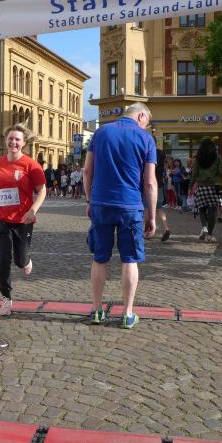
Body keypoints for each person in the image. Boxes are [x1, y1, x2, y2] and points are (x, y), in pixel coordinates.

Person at [84, 102, 157, 329]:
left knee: (99, 257)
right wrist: (152, 216)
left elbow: (87, 171)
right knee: (130, 259)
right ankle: (127, 314)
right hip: (130, 206)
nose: (146, 127)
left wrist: (89, 200)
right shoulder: (146, 139)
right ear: (142, 116)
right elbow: (150, 182)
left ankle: (97, 310)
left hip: (101, 203)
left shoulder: (100, 133)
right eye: (147, 122)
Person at [0, 124, 47, 316]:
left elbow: (42, 190)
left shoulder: (31, 165)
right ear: (6, 140)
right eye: (10, 138)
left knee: (19, 260)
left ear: (23, 143)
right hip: (0, 217)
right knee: (3, 258)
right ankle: (6, 298)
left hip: (23, 219)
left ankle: (26, 260)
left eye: (17, 139)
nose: (13, 142)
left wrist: (33, 210)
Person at [191, 139, 222, 242]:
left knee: (201, 209)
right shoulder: (217, 157)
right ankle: (209, 235)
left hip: (202, 187)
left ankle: (204, 227)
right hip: (214, 187)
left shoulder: (198, 158)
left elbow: (194, 174)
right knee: (213, 212)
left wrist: (190, 187)